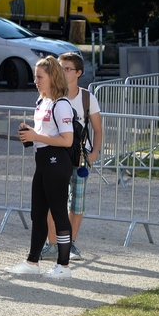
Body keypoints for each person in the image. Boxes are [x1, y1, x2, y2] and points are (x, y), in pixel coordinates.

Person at [6, 56, 76, 278]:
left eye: (39, 77)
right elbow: (44, 134)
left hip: (57, 162)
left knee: (59, 213)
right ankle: (32, 262)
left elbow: (67, 140)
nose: (35, 80)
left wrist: (36, 136)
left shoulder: (61, 104)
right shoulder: (41, 101)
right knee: (37, 214)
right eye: (35, 76)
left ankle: (63, 266)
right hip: (42, 162)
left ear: (52, 77)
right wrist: (30, 134)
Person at [42, 52, 103, 261]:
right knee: (53, 201)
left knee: (76, 204)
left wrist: (94, 153)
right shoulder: (49, 94)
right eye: (60, 68)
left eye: (67, 68)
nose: (62, 72)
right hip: (55, 154)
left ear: (78, 73)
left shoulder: (87, 98)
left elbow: (98, 128)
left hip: (79, 156)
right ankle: (52, 244)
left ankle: (70, 243)